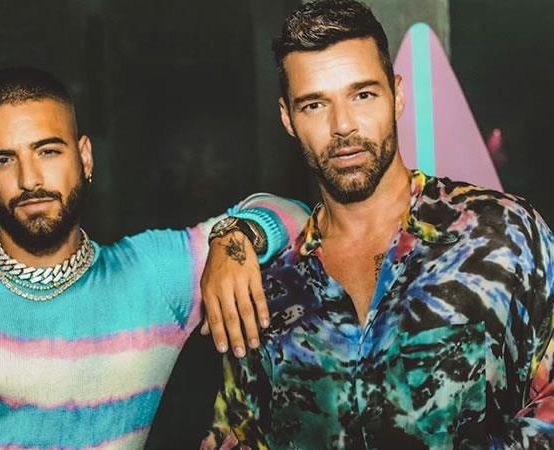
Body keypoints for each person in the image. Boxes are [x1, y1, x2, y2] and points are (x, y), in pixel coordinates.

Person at [0, 67, 309, 449]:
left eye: (48, 151)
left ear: (85, 157)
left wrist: (234, 239)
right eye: (3, 160)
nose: (30, 180)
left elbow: (297, 215)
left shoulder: (152, 279)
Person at [202, 1, 554, 448]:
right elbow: (239, 435)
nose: (343, 125)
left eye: (363, 94)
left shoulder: (500, 233)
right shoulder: (268, 287)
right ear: (288, 118)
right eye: (315, 105)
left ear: (397, 95)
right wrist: (229, 235)